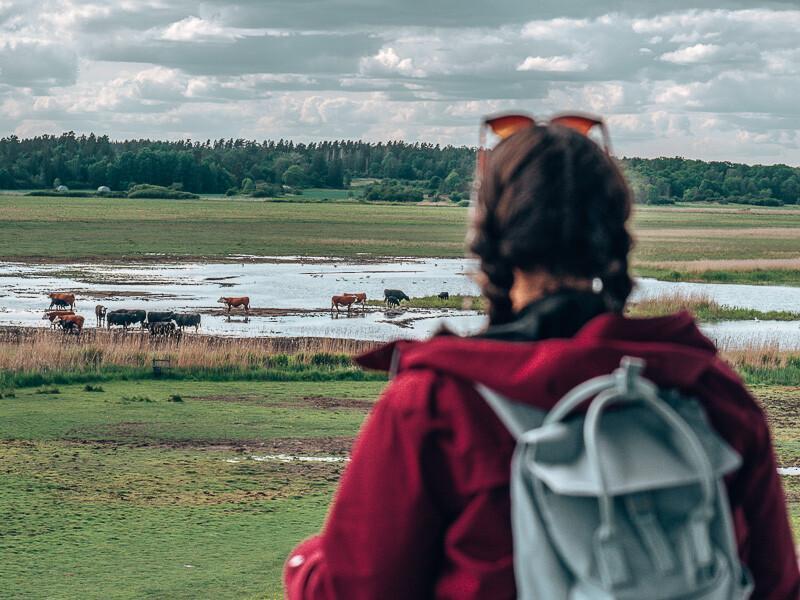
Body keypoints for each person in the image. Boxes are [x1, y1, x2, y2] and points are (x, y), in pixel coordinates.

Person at [284, 121, 800, 599]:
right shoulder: (711, 391)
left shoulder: (435, 404)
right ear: (616, 233)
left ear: (491, 236)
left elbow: (355, 589)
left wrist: (304, 562)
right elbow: (777, 583)